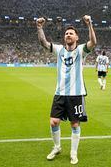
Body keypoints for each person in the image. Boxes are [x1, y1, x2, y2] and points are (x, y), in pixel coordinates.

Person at [36, 15, 96, 165]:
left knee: (75, 124)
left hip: (76, 94)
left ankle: (73, 152)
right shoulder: (59, 50)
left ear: (76, 37)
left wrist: (89, 25)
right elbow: (43, 42)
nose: (68, 35)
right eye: (66, 33)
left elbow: (93, 42)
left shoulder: (82, 50)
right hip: (60, 93)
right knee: (54, 122)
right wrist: (39, 27)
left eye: (71, 33)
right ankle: (57, 147)